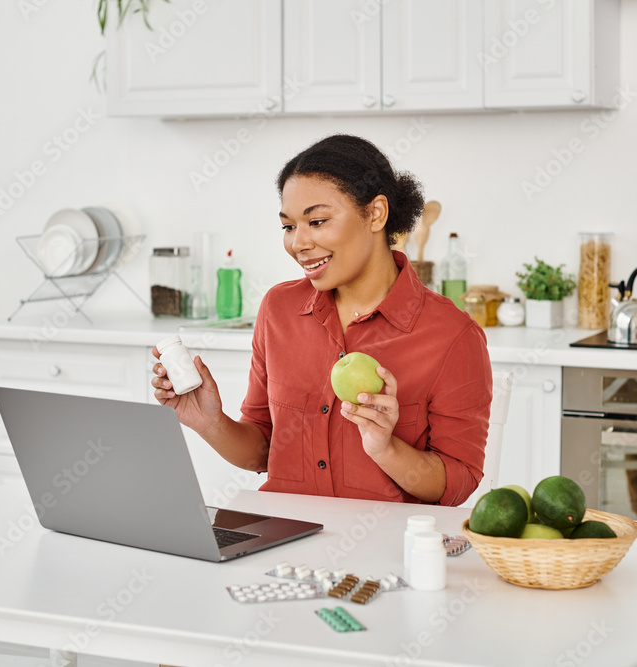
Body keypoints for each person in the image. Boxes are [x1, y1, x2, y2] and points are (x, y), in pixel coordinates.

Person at [151, 134, 492, 506]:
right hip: (283, 541)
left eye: (316, 221)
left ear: (375, 214)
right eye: (288, 226)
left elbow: (458, 483)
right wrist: (209, 422)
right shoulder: (279, 310)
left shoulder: (451, 335)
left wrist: (386, 448)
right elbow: (264, 452)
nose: (298, 243)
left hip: (384, 553)